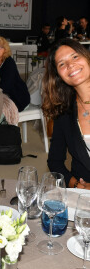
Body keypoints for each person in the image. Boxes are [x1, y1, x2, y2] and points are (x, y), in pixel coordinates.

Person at [42, 38, 90, 189]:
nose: (70, 65)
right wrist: (75, 184)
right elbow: (55, 161)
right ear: (58, 75)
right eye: (62, 64)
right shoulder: (64, 112)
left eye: (75, 56)